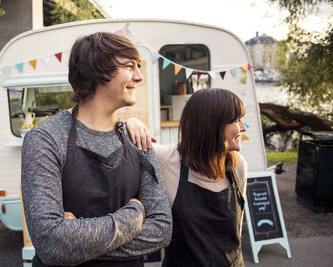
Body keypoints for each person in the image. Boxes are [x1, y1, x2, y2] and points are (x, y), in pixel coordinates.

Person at [21, 32, 172, 267]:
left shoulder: (138, 140)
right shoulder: (45, 139)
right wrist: (133, 214)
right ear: (97, 71)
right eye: (130, 66)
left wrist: (75, 242)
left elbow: (161, 229)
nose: (139, 77)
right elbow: (50, 243)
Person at [126, 88, 248, 267]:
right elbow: (113, 138)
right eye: (236, 120)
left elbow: (236, 232)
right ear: (212, 125)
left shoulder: (238, 166)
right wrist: (131, 122)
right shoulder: (168, 160)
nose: (243, 128)